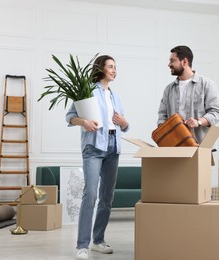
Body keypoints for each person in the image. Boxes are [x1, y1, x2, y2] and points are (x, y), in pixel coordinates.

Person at [65, 55, 129, 260]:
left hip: (113, 146)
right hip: (93, 146)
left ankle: (98, 240)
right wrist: (83, 122)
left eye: (115, 67)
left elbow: (125, 126)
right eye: (110, 66)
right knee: (90, 194)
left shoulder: (115, 96)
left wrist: (124, 122)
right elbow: (70, 117)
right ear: (100, 69)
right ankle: (82, 245)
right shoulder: (88, 91)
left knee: (107, 197)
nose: (114, 70)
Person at [157, 45, 219, 142]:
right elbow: (162, 116)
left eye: (172, 60)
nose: (169, 64)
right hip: (176, 146)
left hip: (201, 145)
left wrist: (198, 122)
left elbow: (216, 113)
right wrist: (163, 130)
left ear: (184, 62)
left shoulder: (207, 85)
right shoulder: (169, 89)